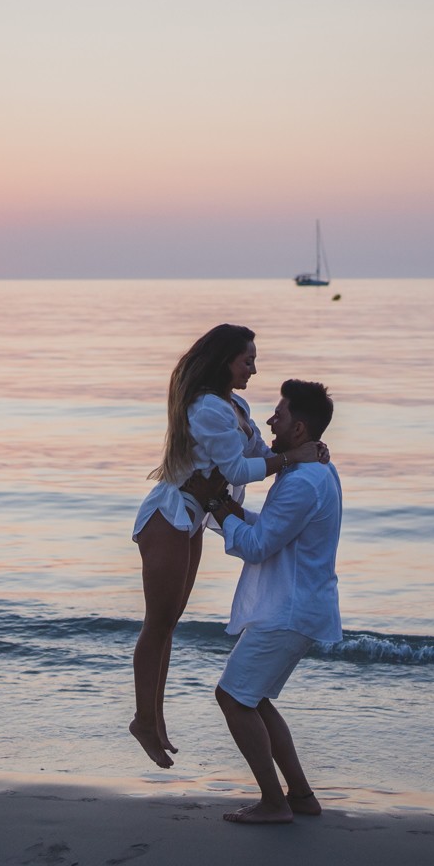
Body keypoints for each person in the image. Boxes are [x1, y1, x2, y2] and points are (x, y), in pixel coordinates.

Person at [130, 326, 327, 769]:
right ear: (225, 362)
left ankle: (154, 719)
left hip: (193, 519)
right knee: (157, 624)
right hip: (168, 516)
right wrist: (293, 458)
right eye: (247, 361)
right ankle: (145, 720)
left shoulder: (235, 407)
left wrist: (305, 449)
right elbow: (239, 469)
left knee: (170, 625)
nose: (254, 369)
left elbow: (263, 451)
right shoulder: (205, 410)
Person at [181, 379, 341, 823]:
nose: (271, 419)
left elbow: (256, 546)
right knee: (254, 699)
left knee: (232, 698)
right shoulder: (312, 472)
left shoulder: (303, 482)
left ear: (300, 430)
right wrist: (220, 505)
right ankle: (302, 797)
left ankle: (274, 803)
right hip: (297, 606)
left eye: (281, 414)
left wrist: (215, 505)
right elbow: (269, 529)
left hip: (288, 611)